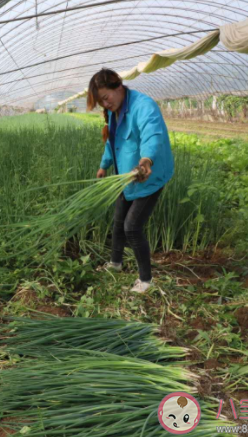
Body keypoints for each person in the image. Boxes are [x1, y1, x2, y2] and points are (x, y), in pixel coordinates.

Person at [88, 68, 174, 293]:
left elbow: (152, 135)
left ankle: (146, 281)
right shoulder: (113, 111)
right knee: (118, 221)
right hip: (125, 176)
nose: (105, 104)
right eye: (101, 102)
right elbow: (112, 141)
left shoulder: (143, 106)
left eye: (106, 97)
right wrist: (103, 165)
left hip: (148, 175)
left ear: (118, 86)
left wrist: (146, 160)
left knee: (132, 227)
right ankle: (115, 263)